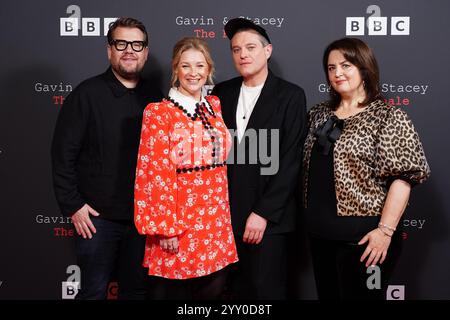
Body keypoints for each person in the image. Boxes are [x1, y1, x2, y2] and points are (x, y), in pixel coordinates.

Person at [302, 37, 430, 300]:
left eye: (346, 65)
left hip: (366, 240)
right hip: (321, 237)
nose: (337, 73)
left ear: (364, 68)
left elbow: (403, 179)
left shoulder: (388, 116)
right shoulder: (318, 113)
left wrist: (385, 232)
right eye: (331, 67)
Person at [51, 17, 163, 299]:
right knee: (93, 292)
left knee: (137, 291)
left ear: (146, 52)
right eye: (121, 43)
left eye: (137, 44)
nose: (129, 50)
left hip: (142, 220)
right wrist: (73, 205)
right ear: (109, 50)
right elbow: (63, 154)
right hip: (97, 220)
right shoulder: (86, 95)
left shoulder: (155, 97)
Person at [134, 37, 238, 300]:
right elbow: (154, 173)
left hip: (215, 219)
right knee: (174, 292)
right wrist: (166, 227)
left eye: (200, 66)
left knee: (213, 290)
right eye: (186, 66)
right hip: (179, 221)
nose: (194, 73)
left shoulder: (213, 106)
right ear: (175, 69)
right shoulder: (159, 113)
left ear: (209, 69)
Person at [212, 18, 307, 299]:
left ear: (268, 51)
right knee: (230, 293)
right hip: (225, 219)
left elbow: (291, 159)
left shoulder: (291, 95)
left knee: (266, 292)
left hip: (270, 220)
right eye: (236, 49)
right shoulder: (221, 93)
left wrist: (263, 212)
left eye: (251, 47)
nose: (243, 54)